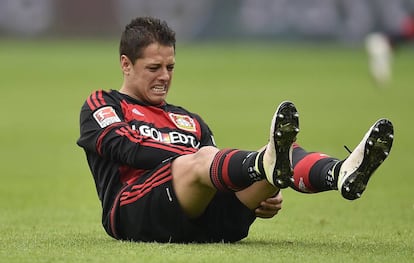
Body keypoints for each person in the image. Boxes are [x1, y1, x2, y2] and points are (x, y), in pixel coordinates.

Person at [77, 16, 394, 243]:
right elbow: (126, 148)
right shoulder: (103, 104)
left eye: (170, 67)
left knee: (280, 154)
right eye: (154, 68)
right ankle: (265, 165)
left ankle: (340, 173)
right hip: (135, 212)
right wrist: (210, 162)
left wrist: (257, 189)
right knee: (208, 160)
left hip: (207, 222)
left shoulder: (188, 120)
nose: (164, 76)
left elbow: (214, 173)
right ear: (126, 64)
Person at [365, 11, 414, 84]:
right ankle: (380, 80)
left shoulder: (406, 26)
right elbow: (401, 37)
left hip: (382, 42)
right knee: (381, 61)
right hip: (380, 41)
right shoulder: (406, 28)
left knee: (382, 61)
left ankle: (380, 79)